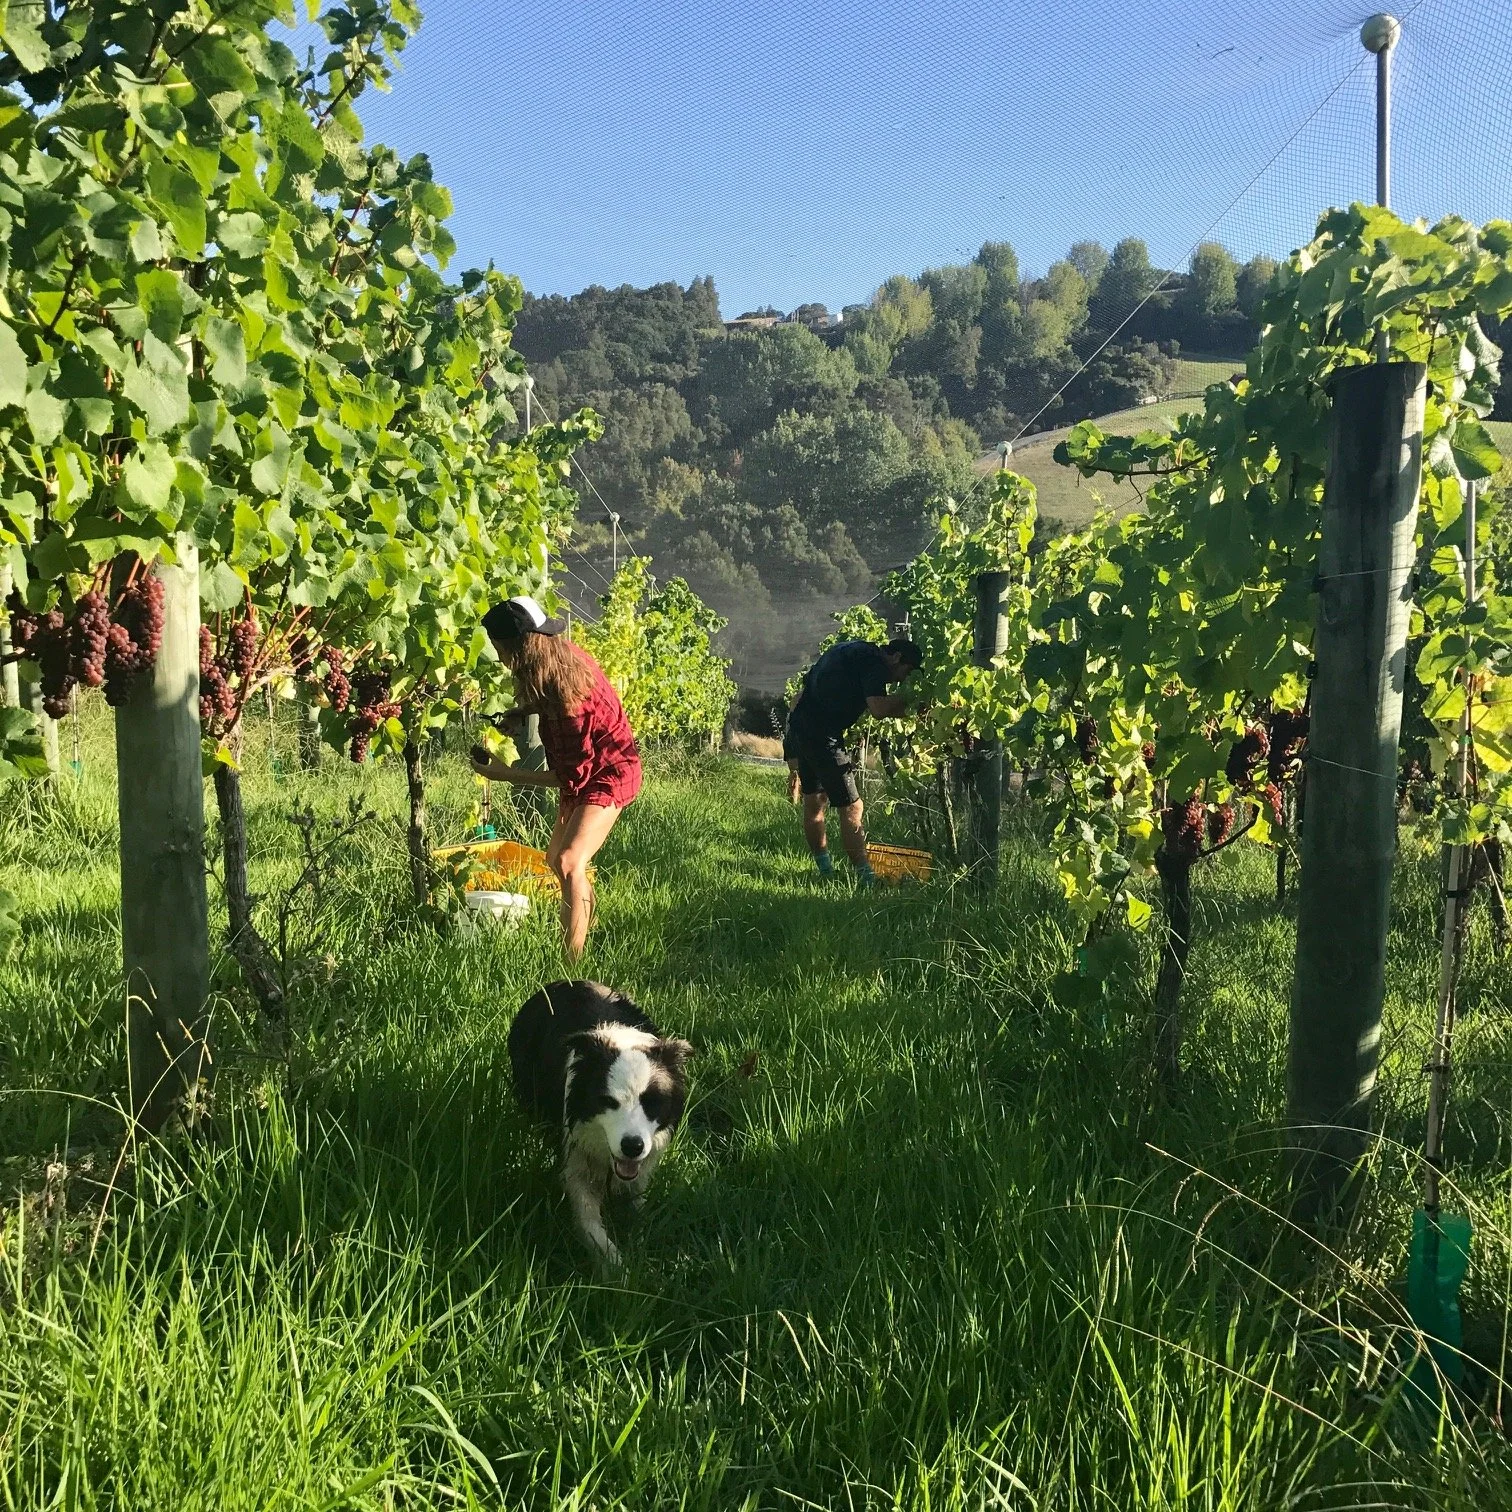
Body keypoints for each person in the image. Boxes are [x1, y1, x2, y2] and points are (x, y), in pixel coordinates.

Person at [471, 595, 641, 960]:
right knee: (556, 859)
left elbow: (570, 779)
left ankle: (570, 966)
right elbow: (547, 699)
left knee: (568, 861)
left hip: (610, 772)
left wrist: (507, 774)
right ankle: (587, 931)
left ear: (519, 649)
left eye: (500, 649)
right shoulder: (562, 660)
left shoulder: (568, 706)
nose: (499, 659)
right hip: (591, 768)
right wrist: (521, 712)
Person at [784, 637, 921, 884]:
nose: (902, 680)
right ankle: (866, 877)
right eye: (906, 671)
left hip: (801, 727)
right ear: (897, 657)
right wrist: (919, 708)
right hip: (824, 735)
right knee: (852, 806)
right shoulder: (876, 663)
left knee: (815, 800)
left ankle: (825, 872)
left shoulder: (851, 648)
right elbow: (879, 709)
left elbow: (802, 693)